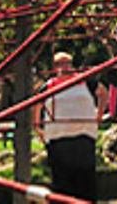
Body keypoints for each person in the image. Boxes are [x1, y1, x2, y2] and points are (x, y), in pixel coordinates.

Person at [35, 53, 99, 201]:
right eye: (60, 64)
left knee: (86, 180)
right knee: (62, 180)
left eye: (67, 63)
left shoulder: (85, 81)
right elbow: (37, 105)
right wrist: (38, 127)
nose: (64, 67)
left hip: (84, 136)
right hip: (58, 138)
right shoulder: (48, 86)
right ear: (54, 67)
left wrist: (98, 116)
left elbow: (103, 93)